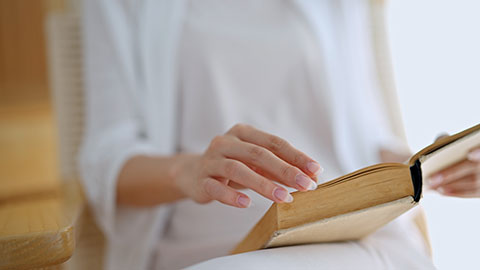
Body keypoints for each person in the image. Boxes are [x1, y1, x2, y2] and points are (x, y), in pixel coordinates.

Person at [79, 1, 479, 269]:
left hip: (355, 233)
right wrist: (189, 170)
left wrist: (438, 163)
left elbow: (365, 133)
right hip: (213, 248)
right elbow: (106, 162)